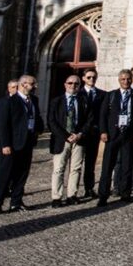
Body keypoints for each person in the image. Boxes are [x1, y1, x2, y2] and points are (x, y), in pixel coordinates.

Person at [0, 75, 45, 214]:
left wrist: (39, 129)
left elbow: (36, 116)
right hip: (11, 144)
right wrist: (5, 144)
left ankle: (16, 202)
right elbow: (2, 125)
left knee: (22, 173)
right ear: (24, 84)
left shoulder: (34, 100)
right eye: (33, 84)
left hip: (27, 142)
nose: (34, 87)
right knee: (4, 174)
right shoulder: (9, 102)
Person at [97, 69, 133, 205]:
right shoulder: (111, 95)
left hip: (128, 134)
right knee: (107, 166)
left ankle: (125, 193)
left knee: (127, 165)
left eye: (128, 79)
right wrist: (103, 131)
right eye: (123, 79)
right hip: (112, 135)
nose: (126, 81)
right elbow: (103, 115)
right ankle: (103, 195)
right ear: (119, 80)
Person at [48, 75, 88, 207]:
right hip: (61, 139)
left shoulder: (84, 100)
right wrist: (66, 136)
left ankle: (72, 195)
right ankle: (56, 197)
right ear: (65, 85)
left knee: (76, 168)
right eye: (70, 83)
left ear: (80, 86)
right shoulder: (56, 101)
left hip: (79, 139)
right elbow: (51, 122)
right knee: (59, 169)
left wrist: (80, 134)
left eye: (76, 84)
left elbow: (89, 119)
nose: (73, 86)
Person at [79, 68, 104, 200]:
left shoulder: (102, 94)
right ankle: (72, 191)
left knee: (90, 163)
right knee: (75, 164)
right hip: (79, 133)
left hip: (94, 133)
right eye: (89, 77)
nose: (91, 79)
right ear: (83, 78)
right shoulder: (78, 93)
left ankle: (89, 188)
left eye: (94, 77)